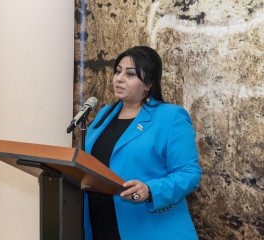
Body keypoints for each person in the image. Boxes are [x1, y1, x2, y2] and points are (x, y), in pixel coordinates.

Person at [84, 46, 202, 240]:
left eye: (130, 74)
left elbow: (189, 174)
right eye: (118, 71)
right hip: (100, 226)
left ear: (149, 83)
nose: (119, 78)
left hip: (148, 229)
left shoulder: (171, 117)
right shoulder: (103, 114)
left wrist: (150, 191)